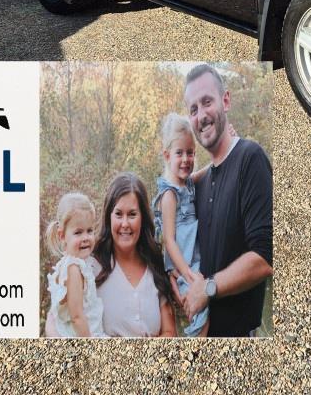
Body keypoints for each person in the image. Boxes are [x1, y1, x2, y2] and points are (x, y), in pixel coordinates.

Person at [181, 64, 273, 337]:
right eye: (193, 109)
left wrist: (207, 288)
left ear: (226, 100)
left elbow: (264, 256)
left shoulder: (250, 158)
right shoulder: (203, 181)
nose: (201, 116)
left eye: (207, 102)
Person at [92, 173, 177, 337]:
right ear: (108, 217)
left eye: (132, 214)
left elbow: (169, 333)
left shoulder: (155, 264)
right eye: (118, 214)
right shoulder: (92, 266)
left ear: (143, 218)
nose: (125, 224)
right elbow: (60, 320)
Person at [153, 113, 208, 337]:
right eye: (179, 153)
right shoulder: (169, 195)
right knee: (200, 312)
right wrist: (186, 273)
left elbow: (200, 174)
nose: (186, 159)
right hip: (183, 262)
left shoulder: (187, 184)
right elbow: (169, 240)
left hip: (193, 259)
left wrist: (220, 159)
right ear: (167, 155)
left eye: (190, 153)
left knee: (203, 310)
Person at [45, 192, 104, 338]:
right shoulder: (73, 269)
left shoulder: (79, 263)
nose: (86, 238)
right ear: (62, 235)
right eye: (78, 232)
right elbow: (76, 317)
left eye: (89, 231)